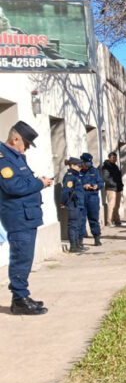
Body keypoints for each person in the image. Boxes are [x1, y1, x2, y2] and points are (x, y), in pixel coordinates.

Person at [0, 121, 53, 315]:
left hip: (27, 215)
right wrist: (40, 184)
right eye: (26, 143)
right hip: (17, 216)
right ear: (15, 139)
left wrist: (39, 181)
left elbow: (25, 181)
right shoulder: (3, 158)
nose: (27, 148)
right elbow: (13, 187)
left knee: (26, 257)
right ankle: (19, 299)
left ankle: (22, 295)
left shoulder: (17, 157)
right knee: (21, 257)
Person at [61, 157, 88, 254]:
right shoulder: (70, 176)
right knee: (73, 225)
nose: (80, 167)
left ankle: (77, 244)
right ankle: (73, 245)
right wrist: (64, 202)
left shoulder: (76, 175)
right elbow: (66, 191)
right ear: (72, 165)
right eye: (79, 165)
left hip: (79, 203)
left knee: (78, 225)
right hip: (73, 203)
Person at [79, 152, 104, 246]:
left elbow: (101, 183)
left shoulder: (94, 171)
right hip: (82, 198)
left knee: (94, 218)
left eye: (88, 165)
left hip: (93, 198)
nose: (87, 167)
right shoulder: (78, 171)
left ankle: (97, 237)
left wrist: (97, 186)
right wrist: (83, 186)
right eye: (86, 164)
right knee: (81, 220)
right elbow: (74, 184)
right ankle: (80, 239)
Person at [102, 151, 123, 226]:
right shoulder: (106, 167)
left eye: (115, 157)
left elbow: (119, 177)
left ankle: (116, 220)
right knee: (111, 204)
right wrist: (114, 184)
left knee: (117, 205)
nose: (114, 159)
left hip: (118, 188)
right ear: (109, 158)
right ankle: (109, 221)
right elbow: (106, 178)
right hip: (111, 188)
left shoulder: (115, 166)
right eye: (113, 157)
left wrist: (120, 185)